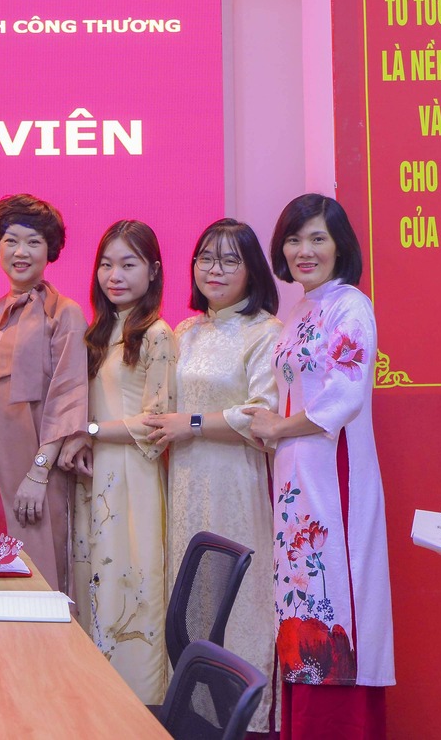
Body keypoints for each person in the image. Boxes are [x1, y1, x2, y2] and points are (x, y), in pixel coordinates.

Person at [246, 194, 394, 740]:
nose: (303, 251)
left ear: (340, 246)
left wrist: (279, 427)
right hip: (296, 476)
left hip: (334, 477)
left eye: (317, 238)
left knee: (332, 597)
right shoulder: (301, 310)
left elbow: (344, 395)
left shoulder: (350, 306)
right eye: (293, 239)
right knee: (301, 595)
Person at [142, 218, 281, 732]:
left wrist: (193, 423)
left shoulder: (266, 331)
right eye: (205, 258)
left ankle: (243, 720)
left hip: (234, 483)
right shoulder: (185, 331)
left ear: (252, 270)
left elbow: (262, 414)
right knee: (190, 603)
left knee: (236, 600)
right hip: (184, 483)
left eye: (229, 260)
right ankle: (193, 718)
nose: (214, 270)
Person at [71, 219, 174, 705]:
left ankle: (137, 708)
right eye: (106, 264)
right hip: (91, 476)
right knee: (93, 579)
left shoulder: (156, 334)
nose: (115, 275)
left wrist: (88, 432)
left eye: (128, 264)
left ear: (153, 270)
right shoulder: (98, 331)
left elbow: (157, 422)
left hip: (132, 476)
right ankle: (92, 700)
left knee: (131, 581)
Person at [0, 194, 89, 594]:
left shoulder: (65, 313)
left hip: (36, 472)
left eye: (33, 242)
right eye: (11, 241)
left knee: (37, 581)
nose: (21, 252)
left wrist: (38, 473)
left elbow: (68, 398)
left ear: (49, 249)